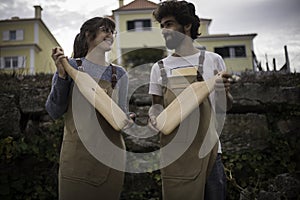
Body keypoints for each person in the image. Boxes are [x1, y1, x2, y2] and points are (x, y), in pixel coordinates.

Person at [148, 1, 233, 200]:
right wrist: (153, 118)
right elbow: (156, 107)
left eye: (168, 24)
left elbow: (225, 107)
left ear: (186, 26)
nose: (163, 30)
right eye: (161, 26)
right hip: (174, 153)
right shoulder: (159, 67)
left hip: (210, 151)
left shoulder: (213, 60)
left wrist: (224, 93)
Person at [46, 17, 129, 200]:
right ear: (88, 35)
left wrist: (127, 119)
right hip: (77, 154)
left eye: (112, 31)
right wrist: (61, 75)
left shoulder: (120, 74)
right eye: (104, 30)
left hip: (111, 155)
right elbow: (54, 110)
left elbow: (121, 113)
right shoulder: (71, 66)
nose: (110, 34)